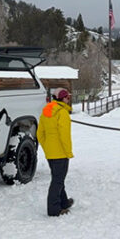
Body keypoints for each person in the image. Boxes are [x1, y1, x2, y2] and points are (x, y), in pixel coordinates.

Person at [37, 87, 75, 216]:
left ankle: (63, 202)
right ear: (63, 98)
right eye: (67, 97)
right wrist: (68, 152)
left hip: (50, 153)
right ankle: (54, 209)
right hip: (60, 153)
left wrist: (47, 147)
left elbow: (39, 133)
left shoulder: (46, 111)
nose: (68, 100)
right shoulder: (62, 113)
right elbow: (64, 136)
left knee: (58, 178)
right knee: (57, 181)